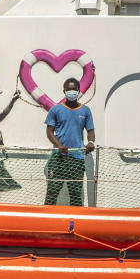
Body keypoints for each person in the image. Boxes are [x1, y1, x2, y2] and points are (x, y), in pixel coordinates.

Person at [44, 77, 95, 207]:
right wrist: (59, 146)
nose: (71, 91)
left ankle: (76, 224)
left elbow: (90, 131)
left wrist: (91, 142)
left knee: (76, 195)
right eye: (69, 89)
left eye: (74, 89)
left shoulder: (85, 111)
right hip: (59, 158)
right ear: (64, 91)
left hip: (77, 158)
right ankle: (46, 221)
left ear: (78, 91)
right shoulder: (55, 110)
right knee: (52, 192)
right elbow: (50, 132)